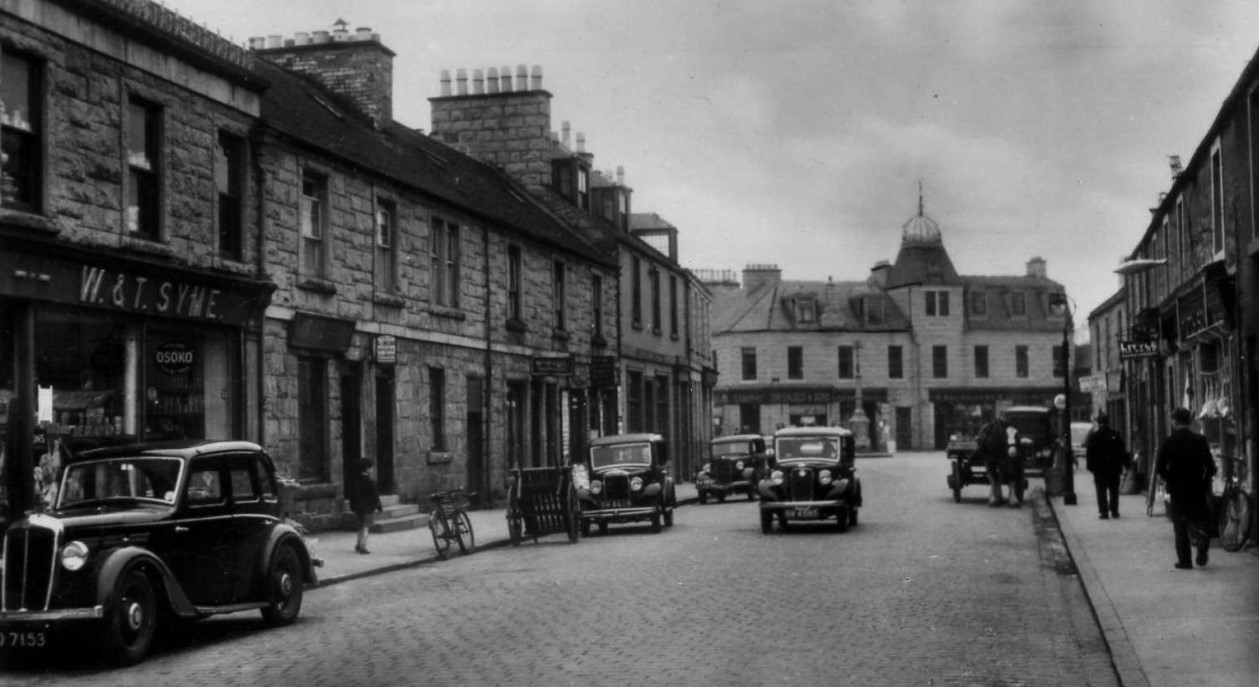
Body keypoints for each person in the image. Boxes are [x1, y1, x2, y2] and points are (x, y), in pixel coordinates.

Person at [1155, 407, 1217, 569]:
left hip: (1178, 489)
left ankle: (1185, 560)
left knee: (1180, 525)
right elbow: (1211, 466)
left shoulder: (1170, 441)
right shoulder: (1200, 440)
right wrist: (1204, 481)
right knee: (1200, 519)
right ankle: (1202, 538)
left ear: (1175, 421)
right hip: (1197, 487)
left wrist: (1170, 479)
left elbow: (1160, 466)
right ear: (1189, 421)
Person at [1084, 413, 1127, 519]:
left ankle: (1104, 512)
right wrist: (1125, 465)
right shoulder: (1115, 435)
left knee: (1101, 490)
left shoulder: (1094, 436)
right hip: (1113, 467)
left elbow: (1090, 453)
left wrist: (1090, 467)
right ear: (1109, 422)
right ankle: (1114, 510)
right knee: (1114, 490)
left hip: (1099, 469)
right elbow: (1121, 451)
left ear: (1099, 422)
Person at [977, 414, 1019, 507]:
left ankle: (1006, 494)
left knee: (1012, 466)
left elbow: (1012, 445)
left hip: (1006, 454)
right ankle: (997, 492)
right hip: (994, 453)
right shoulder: (991, 430)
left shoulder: (1010, 430)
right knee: (993, 466)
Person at [350, 459, 383, 554]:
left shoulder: (355, 481)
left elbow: (352, 495)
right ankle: (363, 546)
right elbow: (375, 496)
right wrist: (379, 506)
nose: (372, 469)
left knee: (360, 526)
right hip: (368, 508)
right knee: (366, 527)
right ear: (367, 469)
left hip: (358, 507)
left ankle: (358, 544)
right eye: (371, 467)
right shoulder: (370, 482)